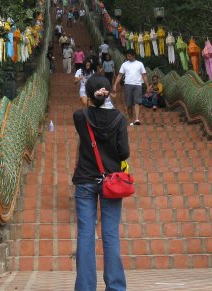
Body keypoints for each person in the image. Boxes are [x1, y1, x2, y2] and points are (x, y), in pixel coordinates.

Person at [73, 75, 129, 291]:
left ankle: (85, 287)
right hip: (111, 182)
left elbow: (85, 114)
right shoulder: (119, 118)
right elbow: (124, 152)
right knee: (111, 233)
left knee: (86, 235)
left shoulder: (80, 117)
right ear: (108, 94)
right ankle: (115, 287)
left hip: (85, 181)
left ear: (88, 95)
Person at [112, 49, 149, 126]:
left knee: (137, 102)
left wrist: (148, 86)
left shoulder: (140, 64)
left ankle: (137, 119)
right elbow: (120, 75)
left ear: (133, 55)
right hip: (128, 84)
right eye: (127, 56)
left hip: (138, 84)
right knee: (129, 104)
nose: (128, 57)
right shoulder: (124, 64)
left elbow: (144, 75)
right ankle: (131, 120)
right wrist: (115, 84)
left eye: (129, 56)